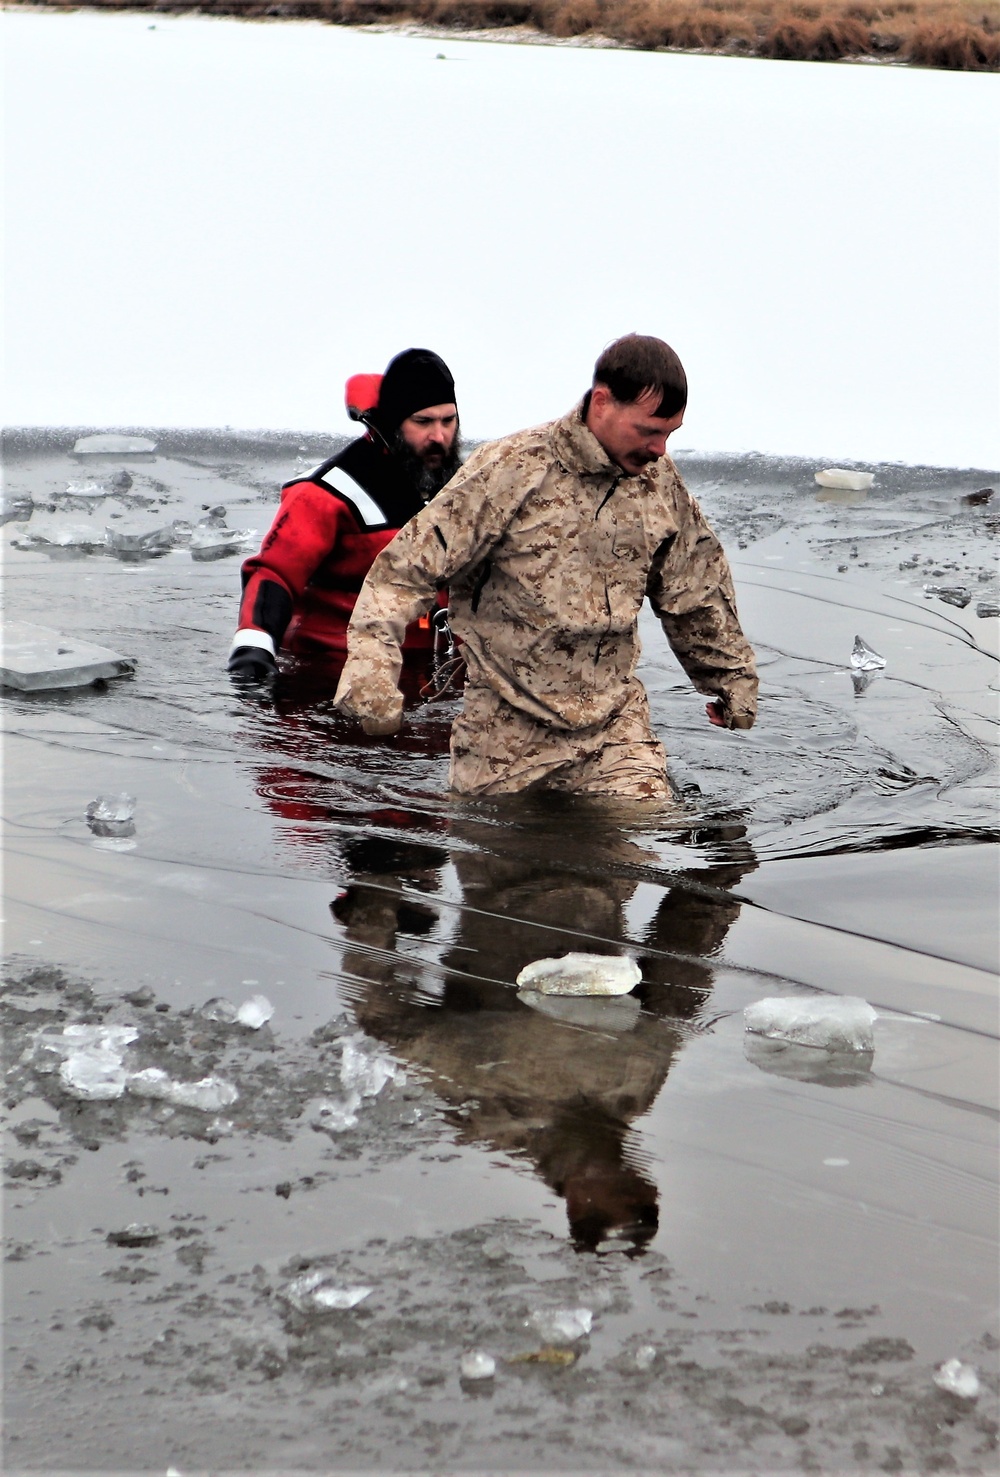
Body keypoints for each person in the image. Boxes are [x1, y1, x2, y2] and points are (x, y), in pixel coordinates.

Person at [334, 334, 758, 798]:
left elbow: (694, 587)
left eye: (669, 434)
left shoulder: (657, 483)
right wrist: (371, 676)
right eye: (648, 432)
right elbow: (403, 572)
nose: (660, 450)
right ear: (601, 403)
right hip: (504, 738)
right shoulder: (510, 470)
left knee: (636, 833)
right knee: (504, 855)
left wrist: (729, 678)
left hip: (613, 731)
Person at [226, 347, 459, 680]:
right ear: (393, 421)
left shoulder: (465, 487)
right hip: (332, 674)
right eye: (423, 422)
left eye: (448, 421)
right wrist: (252, 651)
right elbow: (274, 573)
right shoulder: (324, 495)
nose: (438, 436)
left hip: (435, 673)